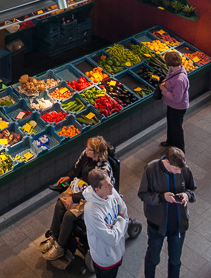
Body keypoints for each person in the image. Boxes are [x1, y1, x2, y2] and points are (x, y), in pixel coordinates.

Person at [41, 137, 114, 261]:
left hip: (94, 197)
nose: (86, 150)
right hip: (80, 188)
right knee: (60, 205)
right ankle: (54, 236)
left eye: (89, 149)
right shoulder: (85, 155)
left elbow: (95, 192)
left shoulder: (103, 170)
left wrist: (73, 199)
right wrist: (68, 177)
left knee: (69, 216)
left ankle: (60, 247)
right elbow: (76, 169)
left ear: (96, 153)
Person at [138, 147, 196, 278]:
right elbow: (142, 194)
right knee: (152, 260)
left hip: (178, 225)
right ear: (168, 162)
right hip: (156, 226)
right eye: (176, 169)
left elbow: (192, 189)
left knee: (175, 262)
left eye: (181, 169)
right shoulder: (151, 169)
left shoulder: (184, 169)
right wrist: (162, 197)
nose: (179, 172)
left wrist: (187, 195)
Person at [84, 169, 128, 278]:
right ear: (97, 190)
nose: (112, 186)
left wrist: (117, 224)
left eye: (110, 182)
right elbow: (111, 239)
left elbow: (124, 211)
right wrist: (120, 220)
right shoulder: (92, 210)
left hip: (119, 251)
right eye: (107, 185)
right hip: (105, 258)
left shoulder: (111, 192)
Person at [159, 50, 189, 152]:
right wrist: (164, 83)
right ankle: (170, 142)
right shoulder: (175, 69)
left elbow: (177, 98)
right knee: (171, 124)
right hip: (171, 105)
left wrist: (164, 90)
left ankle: (180, 151)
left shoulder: (180, 80)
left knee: (177, 129)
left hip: (178, 107)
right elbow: (169, 77)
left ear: (168, 62)